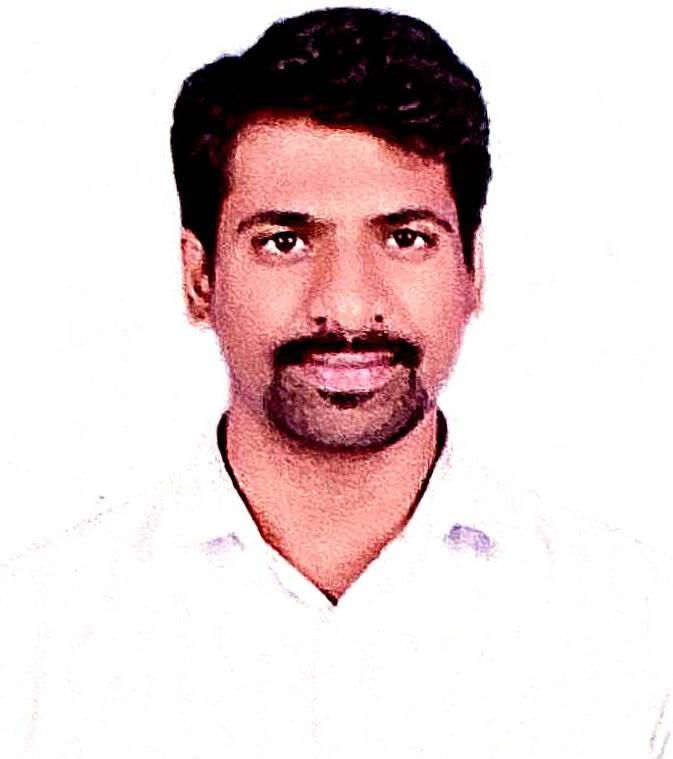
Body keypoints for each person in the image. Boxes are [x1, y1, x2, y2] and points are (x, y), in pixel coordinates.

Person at [1, 7, 670, 757]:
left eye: (406, 237)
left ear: (473, 270)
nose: (348, 305)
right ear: (199, 278)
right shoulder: (30, 640)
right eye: (284, 241)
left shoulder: (638, 632)